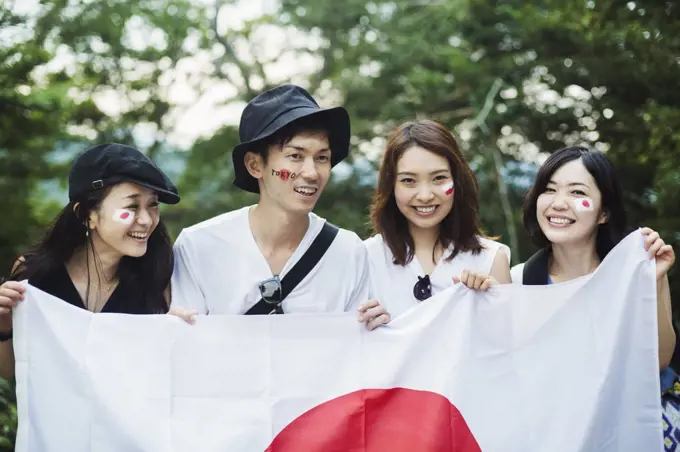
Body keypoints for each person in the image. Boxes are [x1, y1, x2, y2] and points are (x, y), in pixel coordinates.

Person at [508, 146, 677, 446]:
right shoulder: (519, 281)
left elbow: (659, 360)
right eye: (549, 190)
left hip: (636, 432)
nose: (559, 203)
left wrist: (654, 282)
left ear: (604, 212)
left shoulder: (636, 274)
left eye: (576, 193)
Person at [170, 84, 371, 318]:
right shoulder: (198, 247)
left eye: (322, 158)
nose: (311, 172)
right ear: (255, 165)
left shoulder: (348, 252)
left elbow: (355, 350)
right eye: (295, 156)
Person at [0, 143, 192, 378]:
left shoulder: (158, 275)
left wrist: (172, 337)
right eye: (131, 206)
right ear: (86, 214)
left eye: (153, 205)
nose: (146, 220)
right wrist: (3, 326)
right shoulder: (36, 274)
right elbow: (12, 373)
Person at [359, 119, 512, 327]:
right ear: (391, 185)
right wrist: (364, 327)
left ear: (457, 181)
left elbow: (508, 348)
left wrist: (493, 304)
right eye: (408, 181)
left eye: (439, 178)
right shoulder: (364, 258)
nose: (425, 196)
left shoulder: (491, 260)